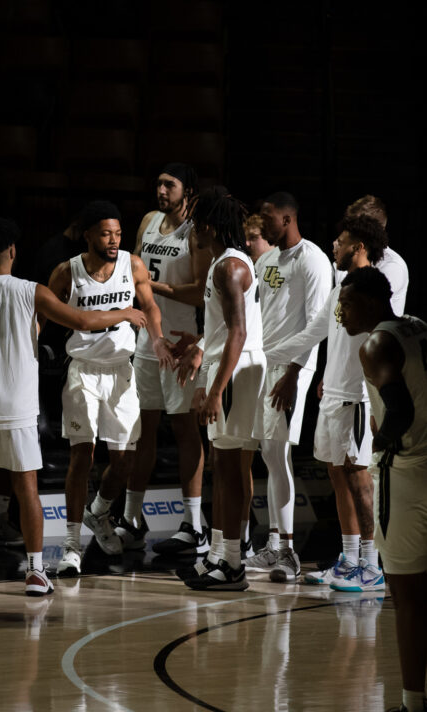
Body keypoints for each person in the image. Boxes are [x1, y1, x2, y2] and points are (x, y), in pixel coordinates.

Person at [0, 217, 147, 595]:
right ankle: (35, 572)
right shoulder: (33, 291)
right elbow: (82, 319)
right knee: (27, 489)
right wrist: (125, 314)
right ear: (13, 252)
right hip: (17, 404)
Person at [338, 266, 427, 712]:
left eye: (349, 302)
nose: (341, 311)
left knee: (407, 598)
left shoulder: (376, 343)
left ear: (374, 303)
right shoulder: (423, 329)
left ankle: (411, 703)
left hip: (408, 475)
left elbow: (397, 408)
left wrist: (380, 441)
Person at [45, 200, 173, 576]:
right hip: (83, 371)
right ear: (87, 235)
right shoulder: (66, 272)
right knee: (81, 457)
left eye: (118, 233)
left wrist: (159, 338)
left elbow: (148, 306)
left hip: (122, 371)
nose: (114, 240)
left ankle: (97, 513)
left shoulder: (132, 264)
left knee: (123, 462)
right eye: (106, 233)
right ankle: (71, 545)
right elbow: (42, 314)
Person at [264, 215, 389, 591]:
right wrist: (263, 352)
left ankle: (371, 564)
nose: (335, 245)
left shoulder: (373, 291)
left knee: (359, 478)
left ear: (359, 247)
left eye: (342, 240)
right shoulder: (340, 288)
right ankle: (349, 559)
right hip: (333, 396)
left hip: (356, 398)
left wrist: (373, 399)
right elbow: (313, 333)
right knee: (337, 475)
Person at [176, 186, 266, 592]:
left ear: (209, 226)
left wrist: (216, 390)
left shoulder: (228, 268)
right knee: (223, 465)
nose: (192, 230)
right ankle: (218, 554)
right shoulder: (226, 262)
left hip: (238, 368)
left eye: (196, 222)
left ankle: (232, 563)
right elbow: (219, 332)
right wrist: (200, 356)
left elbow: (238, 333)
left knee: (229, 470)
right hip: (227, 365)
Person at [242, 192, 331, 583]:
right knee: (268, 453)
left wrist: (295, 372)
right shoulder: (267, 260)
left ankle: (289, 553)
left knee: (277, 454)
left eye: (267, 217)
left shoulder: (312, 259)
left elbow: (317, 323)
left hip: (291, 367)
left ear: (288, 218)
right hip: (264, 362)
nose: (261, 225)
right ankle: (276, 543)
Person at [126, 163, 213, 556]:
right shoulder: (148, 220)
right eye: (158, 182)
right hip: (147, 339)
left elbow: (199, 293)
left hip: (180, 341)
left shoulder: (196, 231)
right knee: (142, 431)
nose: (161, 190)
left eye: (169, 184)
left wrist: (150, 285)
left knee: (183, 431)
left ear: (188, 190)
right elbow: (130, 267)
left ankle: (194, 524)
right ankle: (131, 519)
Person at [344, 194, 408, 314]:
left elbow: (363, 307)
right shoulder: (347, 258)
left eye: (357, 228)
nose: (349, 233)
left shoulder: (393, 266)